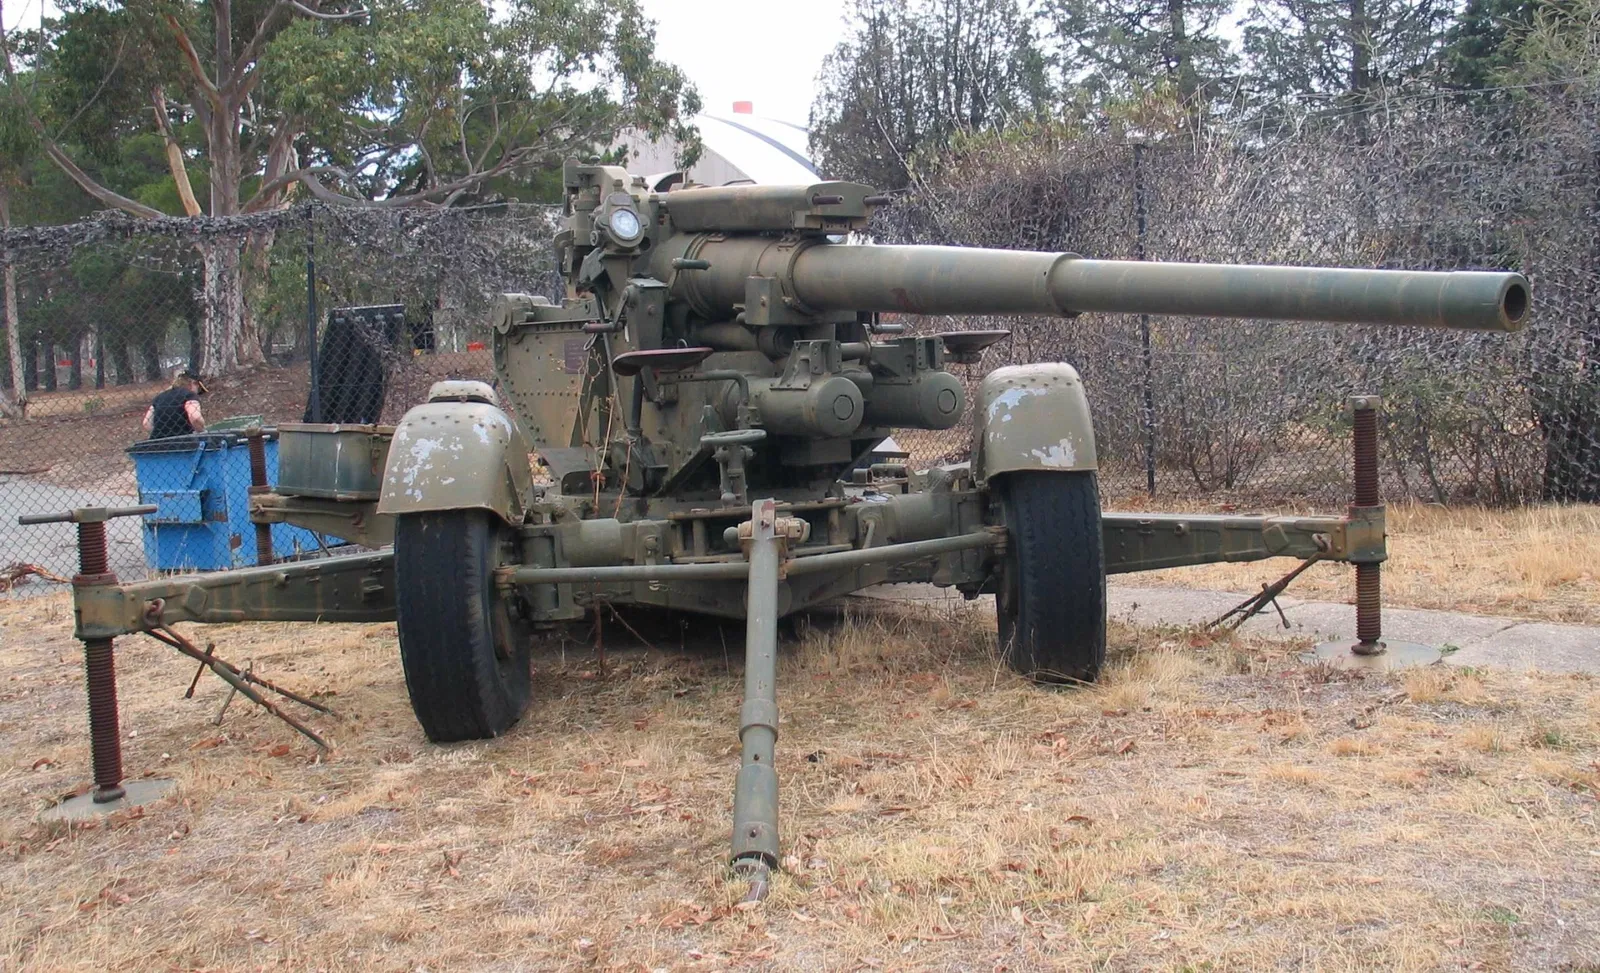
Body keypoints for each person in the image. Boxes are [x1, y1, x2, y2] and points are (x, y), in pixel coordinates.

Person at [142, 369, 209, 440]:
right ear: (194, 383)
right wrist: (202, 431)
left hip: (159, 442)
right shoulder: (189, 395)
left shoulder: (160, 396)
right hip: (184, 441)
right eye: (198, 389)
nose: (197, 393)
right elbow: (195, 418)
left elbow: (146, 423)